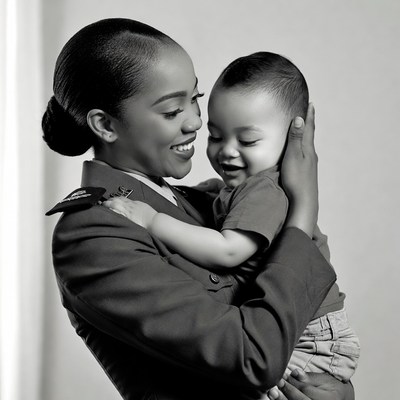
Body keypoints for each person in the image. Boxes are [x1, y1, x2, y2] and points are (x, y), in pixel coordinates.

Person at [42, 18, 354, 400]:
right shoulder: (93, 232)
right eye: (172, 110)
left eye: (195, 98)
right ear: (106, 125)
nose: (195, 122)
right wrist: (303, 210)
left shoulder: (202, 200)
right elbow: (254, 357)